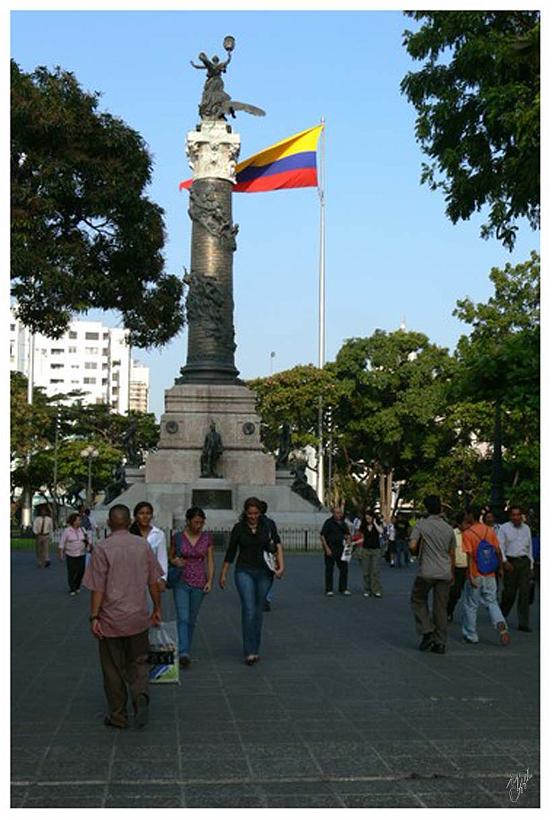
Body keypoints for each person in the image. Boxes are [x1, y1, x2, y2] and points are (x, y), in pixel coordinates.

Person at [82, 504, 163, 729]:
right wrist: (157, 607)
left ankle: (118, 714)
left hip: (111, 619)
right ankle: (140, 695)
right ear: (129, 522)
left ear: (109, 523)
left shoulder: (102, 548)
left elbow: (97, 588)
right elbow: (153, 582)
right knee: (138, 662)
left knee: (112, 668)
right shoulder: (143, 546)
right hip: (138, 616)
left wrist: (94, 616)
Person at [219, 497, 282, 664]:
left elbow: (277, 545)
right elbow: (231, 551)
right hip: (244, 570)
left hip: (264, 571)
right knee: (248, 608)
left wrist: (281, 567)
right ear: (245, 513)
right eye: (250, 513)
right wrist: (223, 573)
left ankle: (256, 647)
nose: (253, 516)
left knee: (258, 610)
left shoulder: (268, 525)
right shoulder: (238, 528)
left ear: (260, 513)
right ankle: (249, 651)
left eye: (256, 513)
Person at [409, 495, 456, 654]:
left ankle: (427, 630)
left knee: (417, 599)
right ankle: (440, 642)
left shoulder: (421, 525)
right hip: (444, 571)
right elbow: (452, 552)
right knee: (441, 608)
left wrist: (416, 551)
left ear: (427, 509)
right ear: (440, 508)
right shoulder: (448, 528)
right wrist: (452, 572)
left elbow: (412, 545)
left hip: (427, 571)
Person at [168, 506, 214, 668]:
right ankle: (184, 652)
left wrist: (210, 581)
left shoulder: (207, 537)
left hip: (200, 581)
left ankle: (185, 646)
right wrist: (174, 561)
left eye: (201, 523)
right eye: (196, 522)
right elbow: (170, 555)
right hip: (181, 579)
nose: (199, 526)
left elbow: (209, 560)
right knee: (183, 617)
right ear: (188, 521)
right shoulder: (178, 537)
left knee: (192, 619)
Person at [460, 510, 510, 646]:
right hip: (490, 573)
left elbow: (470, 557)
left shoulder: (468, 533)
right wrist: (499, 568)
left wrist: (470, 575)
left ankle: (471, 634)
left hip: (476, 573)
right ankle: (501, 626)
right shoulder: (489, 531)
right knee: (492, 601)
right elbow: (498, 551)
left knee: (471, 605)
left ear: (470, 516)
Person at [499, 506, 534, 632]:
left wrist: (531, 566)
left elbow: (529, 548)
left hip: (524, 561)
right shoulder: (504, 528)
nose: (516, 517)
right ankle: (501, 615)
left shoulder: (526, 528)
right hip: (511, 562)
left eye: (518, 515)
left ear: (521, 516)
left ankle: (523, 623)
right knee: (509, 593)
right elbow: (500, 546)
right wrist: (504, 561)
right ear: (510, 516)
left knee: (524, 594)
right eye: (513, 515)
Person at [129, 502, 168, 591]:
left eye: (148, 513)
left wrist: (163, 578)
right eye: (141, 513)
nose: (145, 516)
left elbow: (162, 558)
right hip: (131, 579)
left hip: (152, 579)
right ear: (135, 516)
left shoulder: (158, 534)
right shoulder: (129, 534)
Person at [258, 500, 285, 612]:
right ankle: (266, 598)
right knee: (268, 574)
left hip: (257, 552)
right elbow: (276, 538)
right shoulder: (270, 522)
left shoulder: (254, 522)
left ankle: (260, 597)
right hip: (269, 553)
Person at [320, 507, 351, 596]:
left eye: (340, 513)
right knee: (329, 569)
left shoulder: (343, 523)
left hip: (341, 548)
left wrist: (348, 539)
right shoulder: (328, 522)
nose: (339, 515)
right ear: (333, 513)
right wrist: (326, 548)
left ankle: (343, 588)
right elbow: (322, 536)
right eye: (337, 513)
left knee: (344, 569)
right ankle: (329, 589)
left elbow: (347, 534)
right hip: (331, 548)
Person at [58, 512, 89, 596]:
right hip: (71, 554)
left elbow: (87, 539)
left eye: (80, 520)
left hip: (81, 553)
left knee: (81, 571)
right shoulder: (67, 531)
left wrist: (88, 544)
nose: (80, 522)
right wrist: (61, 553)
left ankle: (77, 585)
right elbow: (62, 543)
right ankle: (72, 588)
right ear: (73, 521)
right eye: (78, 520)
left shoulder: (82, 529)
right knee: (72, 572)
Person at [447, 512, 468, 622]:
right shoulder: (453, 534)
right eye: (465, 523)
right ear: (459, 524)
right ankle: (448, 611)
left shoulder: (470, 534)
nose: (467, 525)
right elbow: (450, 553)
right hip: (457, 568)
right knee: (454, 593)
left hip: (469, 567)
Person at [359, 510, 384, 598]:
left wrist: (374, 523)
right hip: (366, 549)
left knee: (375, 570)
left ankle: (376, 589)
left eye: (369, 518)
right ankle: (367, 589)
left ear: (373, 517)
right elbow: (363, 538)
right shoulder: (363, 526)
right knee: (366, 571)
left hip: (375, 550)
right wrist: (355, 543)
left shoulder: (377, 524)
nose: (368, 520)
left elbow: (381, 532)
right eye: (366, 518)